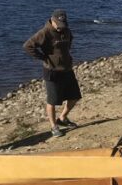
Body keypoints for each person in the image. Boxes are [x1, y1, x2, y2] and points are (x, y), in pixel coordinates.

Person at [23, 9, 82, 138]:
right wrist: (43, 57)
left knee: (75, 96)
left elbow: (70, 40)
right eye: (59, 26)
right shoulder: (45, 32)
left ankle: (63, 118)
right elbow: (28, 46)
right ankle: (53, 126)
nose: (61, 28)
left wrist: (66, 56)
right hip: (51, 71)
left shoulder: (66, 30)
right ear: (53, 21)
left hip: (67, 69)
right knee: (53, 101)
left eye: (63, 25)